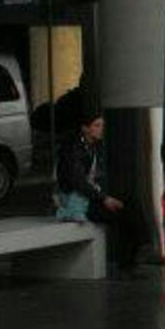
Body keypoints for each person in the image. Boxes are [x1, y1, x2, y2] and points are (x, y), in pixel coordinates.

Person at [55, 107, 142, 268]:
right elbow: (77, 181)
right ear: (85, 128)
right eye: (96, 125)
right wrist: (104, 198)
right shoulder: (72, 148)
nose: (101, 129)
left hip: (89, 196)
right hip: (77, 201)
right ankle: (127, 263)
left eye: (102, 125)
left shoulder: (92, 146)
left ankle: (135, 251)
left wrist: (103, 197)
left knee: (132, 203)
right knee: (122, 214)